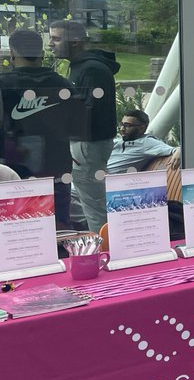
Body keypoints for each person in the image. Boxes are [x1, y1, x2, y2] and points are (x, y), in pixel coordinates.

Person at [0, 28, 75, 228]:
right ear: (41, 54)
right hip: (57, 170)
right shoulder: (63, 84)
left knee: (18, 230)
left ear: (13, 54)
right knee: (59, 228)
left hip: (15, 173)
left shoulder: (3, 84)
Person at [49, 19, 120, 231]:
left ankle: (104, 253)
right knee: (91, 202)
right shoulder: (84, 67)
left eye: (56, 38)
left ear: (75, 41)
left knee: (95, 206)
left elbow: (87, 111)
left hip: (88, 145)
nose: (50, 43)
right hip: (86, 144)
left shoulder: (91, 69)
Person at [107, 110, 177, 174]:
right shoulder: (116, 142)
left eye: (127, 126)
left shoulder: (146, 143)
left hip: (111, 183)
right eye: (121, 124)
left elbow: (176, 150)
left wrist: (179, 151)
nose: (122, 129)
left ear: (141, 128)